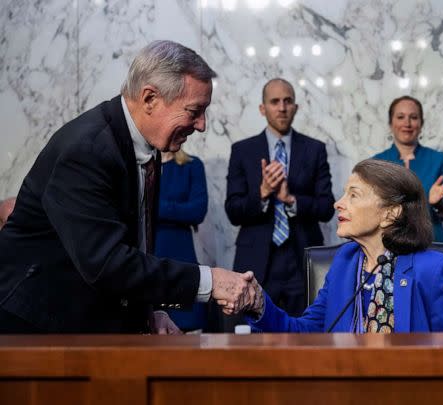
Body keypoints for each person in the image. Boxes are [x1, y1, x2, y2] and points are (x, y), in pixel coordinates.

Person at [0, 40, 255, 334]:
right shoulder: (87, 150)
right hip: (33, 328)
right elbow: (107, 263)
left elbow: (135, 247)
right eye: (194, 111)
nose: (202, 125)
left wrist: (151, 311)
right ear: (150, 99)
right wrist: (212, 282)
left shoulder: (148, 147)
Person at [242, 159, 443, 333]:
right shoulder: (344, 261)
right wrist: (259, 304)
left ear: (390, 214)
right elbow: (306, 332)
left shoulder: (434, 270)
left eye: (353, 195)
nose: (338, 203)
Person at [225, 78, 335, 317]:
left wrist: (291, 199)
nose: (282, 107)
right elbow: (233, 210)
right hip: (257, 261)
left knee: (306, 337)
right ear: (262, 108)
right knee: (256, 339)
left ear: (295, 106)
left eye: (288, 101)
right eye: (275, 102)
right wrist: (263, 192)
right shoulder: (242, 150)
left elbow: (327, 207)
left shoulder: (315, 149)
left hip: (302, 260)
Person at [373, 95, 443, 242]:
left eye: (413, 117)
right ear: (390, 123)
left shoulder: (440, 160)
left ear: (421, 123)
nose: (407, 123)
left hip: (433, 244)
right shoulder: (376, 163)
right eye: (400, 117)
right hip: (388, 246)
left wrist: (439, 203)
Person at [154, 149, 208, 332]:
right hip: (149, 259)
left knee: (188, 331)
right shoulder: (142, 168)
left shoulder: (192, 165)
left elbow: (197, 211)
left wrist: (154, 207)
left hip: (182, 259)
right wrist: (178, 210)